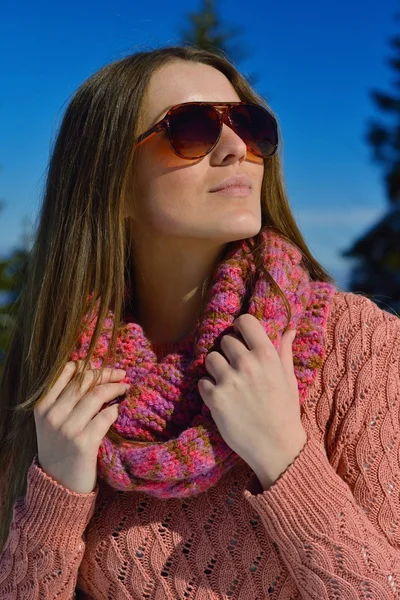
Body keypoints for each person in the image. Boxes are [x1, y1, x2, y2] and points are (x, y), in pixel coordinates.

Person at [0, 45, 399, 600]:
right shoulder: (61, 384)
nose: (237, 148)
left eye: (248, 124)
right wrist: (55, 503)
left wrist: (285, 457)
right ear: (109, 183)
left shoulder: (358, 344)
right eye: (191, 128)